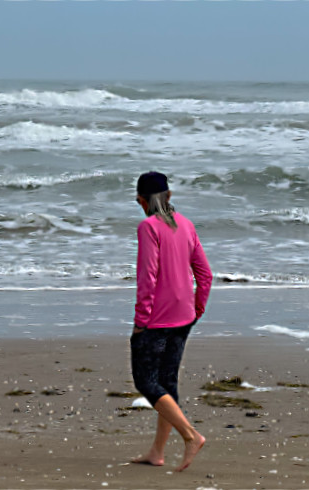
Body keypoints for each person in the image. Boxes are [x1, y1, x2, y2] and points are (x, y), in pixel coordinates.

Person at [130, 171, 212, 472]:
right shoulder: (187, 225)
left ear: (142, 201)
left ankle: (191, 435)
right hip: (184, 317)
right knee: (167, 383)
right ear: (169, 197)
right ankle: (157, 453)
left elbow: (148, 278)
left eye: (139, 201)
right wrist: (197, 308)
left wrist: (141, 320)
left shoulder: (148, 227)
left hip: (157, 321)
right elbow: (205, 274)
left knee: (146, 381)